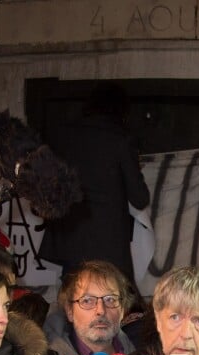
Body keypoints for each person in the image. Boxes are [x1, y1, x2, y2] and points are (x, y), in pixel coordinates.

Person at [38, 81, 151, 282]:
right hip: (109, 249)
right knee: (111, 306)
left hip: (70, 244)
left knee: (75, 304)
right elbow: (139, 198)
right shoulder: (121, 139)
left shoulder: (64, 135)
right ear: (121, 110)